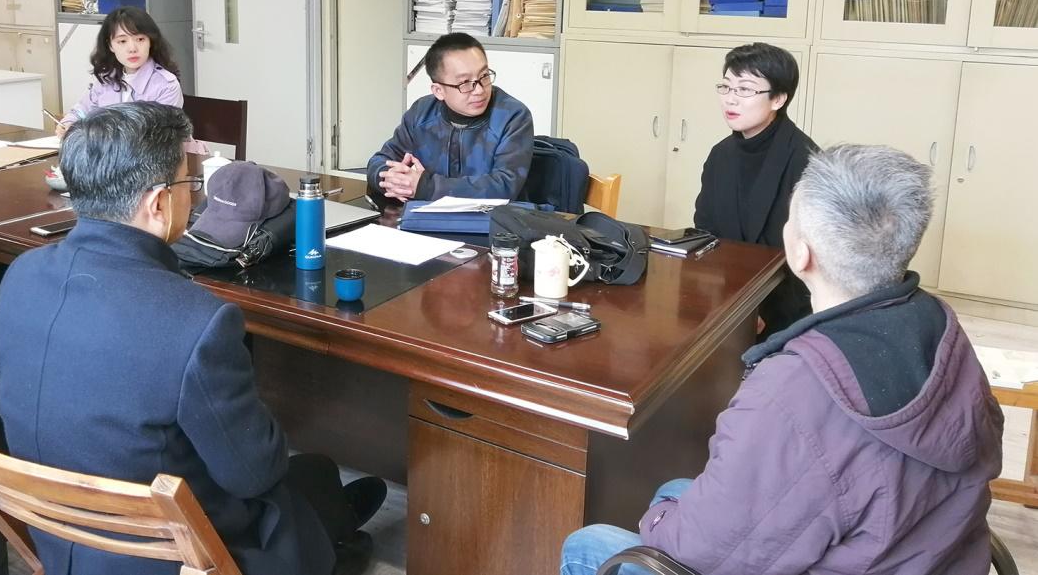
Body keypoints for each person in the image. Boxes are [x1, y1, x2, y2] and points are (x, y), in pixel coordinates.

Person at [560, 144, 1004, 575]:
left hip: (865, 549)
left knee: (589, 544)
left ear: (800, 253)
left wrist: (656, 522)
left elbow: (698, 551)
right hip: (933, 552)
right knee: (674, 489)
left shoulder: (792, 390)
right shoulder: (940, 324)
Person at [0, 102, 385, 575]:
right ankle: (337, 538)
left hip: (59, 532)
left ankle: (337, 524)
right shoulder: (195, 319)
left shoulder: (22, 274)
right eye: (189, 185)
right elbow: (255, 473)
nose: (193, 200)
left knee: (314, 478)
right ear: (158, 203)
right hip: (172, 553)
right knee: (306, 481)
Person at [694, 42, 817, 337]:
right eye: (726, 87)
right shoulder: (720, 155)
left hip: (787, 310)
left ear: (778, 99)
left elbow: (810, 256)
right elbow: (705, 231)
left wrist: (758, 308)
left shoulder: (807, 161)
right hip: (727, 296)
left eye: (745, 90)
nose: (730, 99)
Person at [367, 32, 533, 201]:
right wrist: (393, 180)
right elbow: (379, 161)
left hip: (493, 217)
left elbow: (504, 187)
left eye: (484, 76)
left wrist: (426, 187)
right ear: (438, 91)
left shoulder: (512, 116)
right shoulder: (421, 113)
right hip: (425, 214)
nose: (479, 90)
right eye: (465, 83)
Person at [57, 5, 209, 153]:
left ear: (150, 42)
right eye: (122, 41)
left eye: (140, 39)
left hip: (163, 160)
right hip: (114, 157)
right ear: (110, 45)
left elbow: (155, 139)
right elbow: (82, 110)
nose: (132, 48)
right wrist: (69, 123)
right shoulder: (106, 79)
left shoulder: (166, 85)